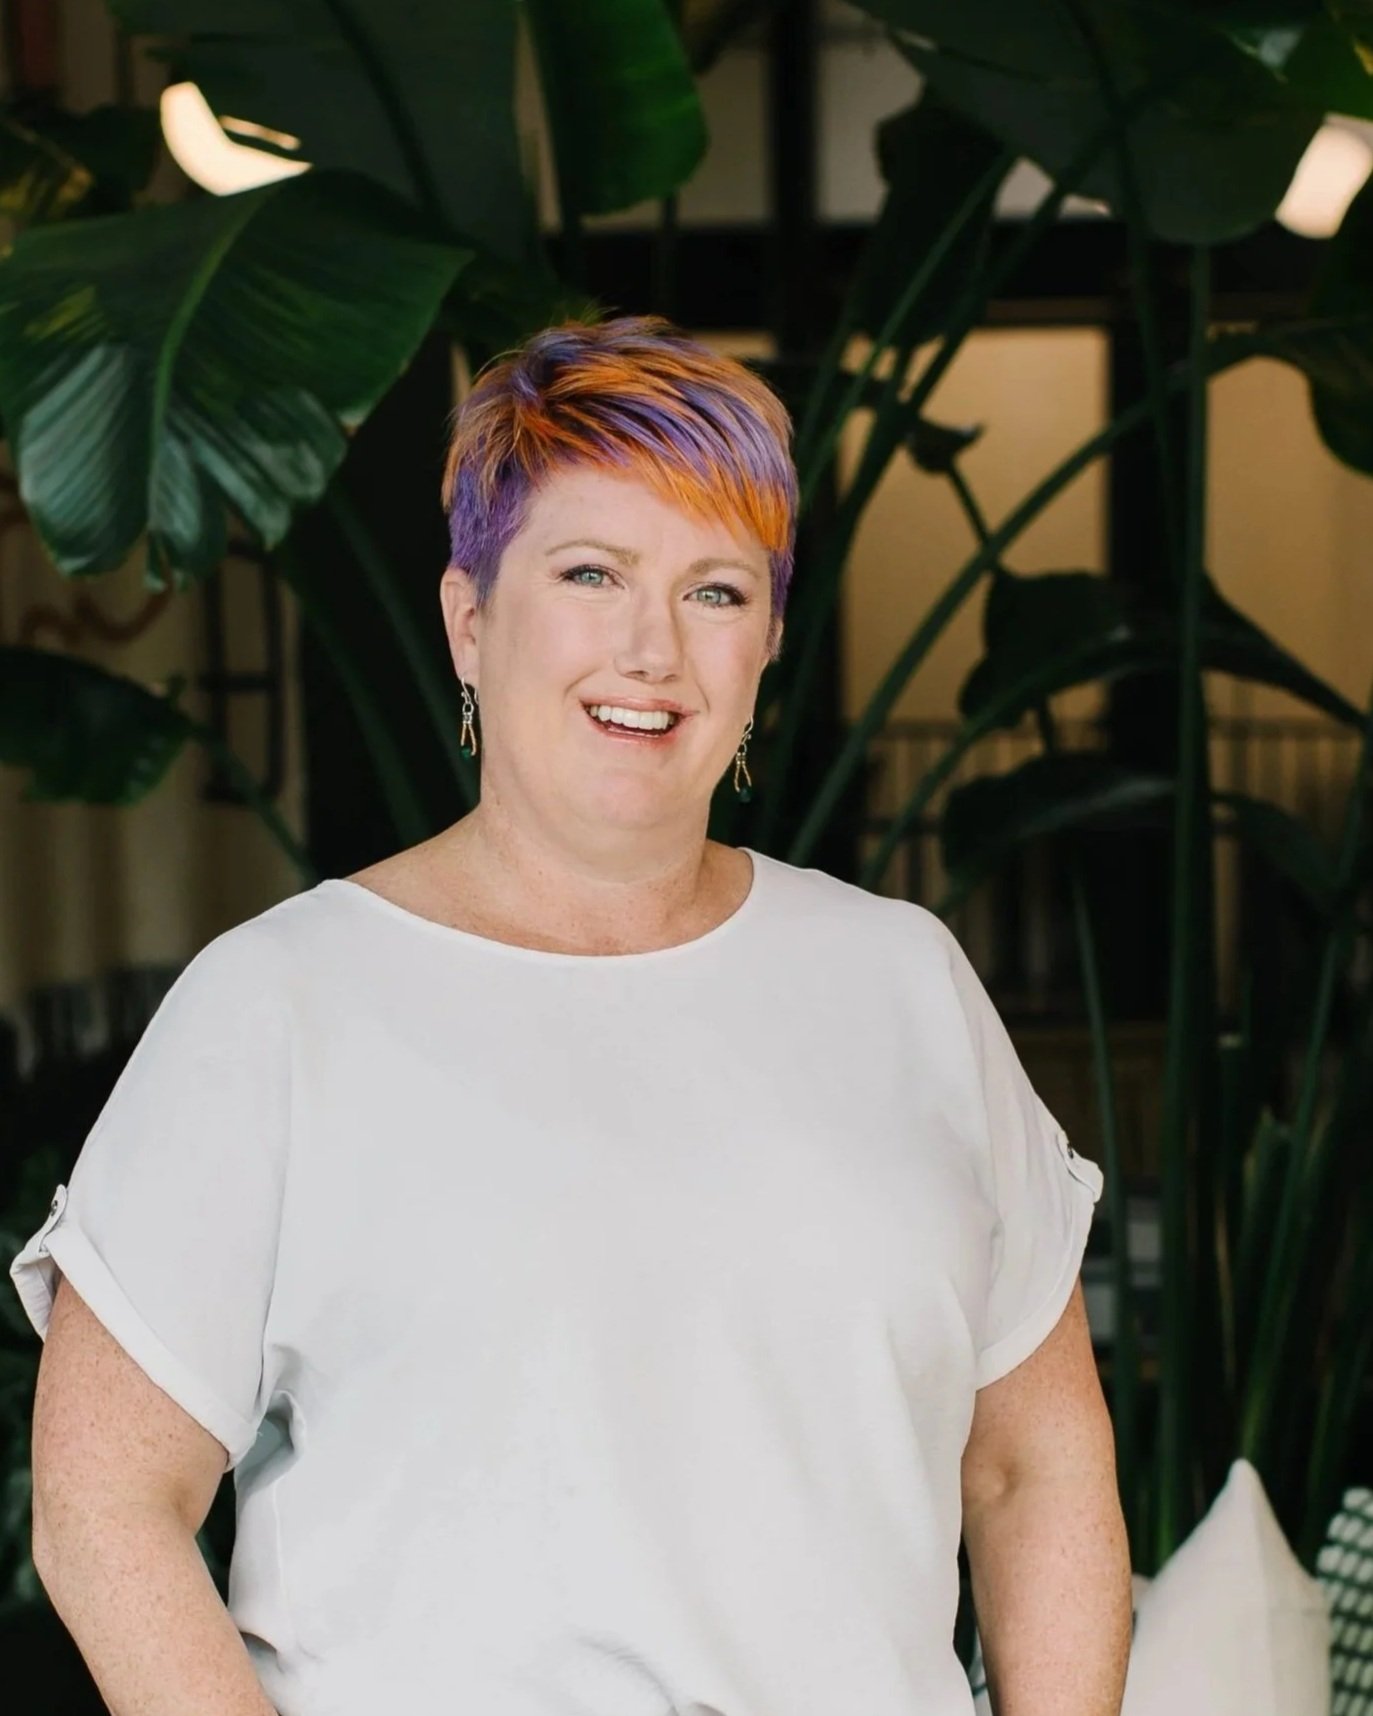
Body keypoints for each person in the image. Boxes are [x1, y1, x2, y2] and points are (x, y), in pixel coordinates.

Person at [10, 314, 1132, 1716]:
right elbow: (104, 1506)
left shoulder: (902, 980)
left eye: (715, 592)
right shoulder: (279, 1007)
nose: (651, 648)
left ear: (769, 643)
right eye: (590, 573)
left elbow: (1033, 1465)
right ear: (469, 621)